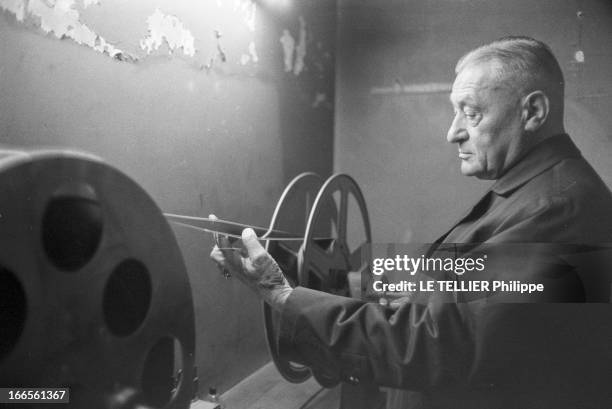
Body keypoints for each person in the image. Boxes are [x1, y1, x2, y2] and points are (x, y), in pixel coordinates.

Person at [211, 37, 612, 408]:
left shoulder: (559, 209)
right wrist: (380, 281)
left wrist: (283, 296)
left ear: (534, 112)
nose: (452, 132)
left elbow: (437, 343)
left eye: (470, 114)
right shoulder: (542, 190)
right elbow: (478, 290)